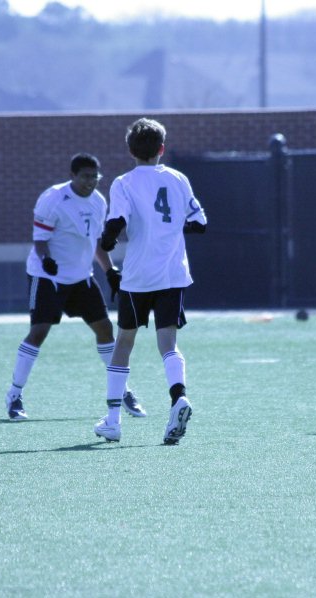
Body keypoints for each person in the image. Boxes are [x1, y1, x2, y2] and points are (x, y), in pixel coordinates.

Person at [4, 153, 146, 421]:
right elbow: (40, 240)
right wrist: (46, 261)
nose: (90, 182)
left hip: (81, 277)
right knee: (39, 331)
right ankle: (14, 395)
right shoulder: (53, 199)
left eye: (95, 176)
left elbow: (95, 242)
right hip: (48, 277)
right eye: (85, 176)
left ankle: (122, 391)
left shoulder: (98, 202)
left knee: (105, 328)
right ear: (72, 175)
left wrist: (110, 271)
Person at [93, 118, 207, 444]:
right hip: (173, 274)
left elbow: (117, 220)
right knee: (168, 345)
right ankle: (179, 397)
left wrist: (108, 240)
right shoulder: (178, 178)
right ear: (162, 148)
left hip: (139, 275)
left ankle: (113, 420)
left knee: (124, 344)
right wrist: (168, 231)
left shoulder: (123, 182)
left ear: (130, 150)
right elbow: (199, 223)